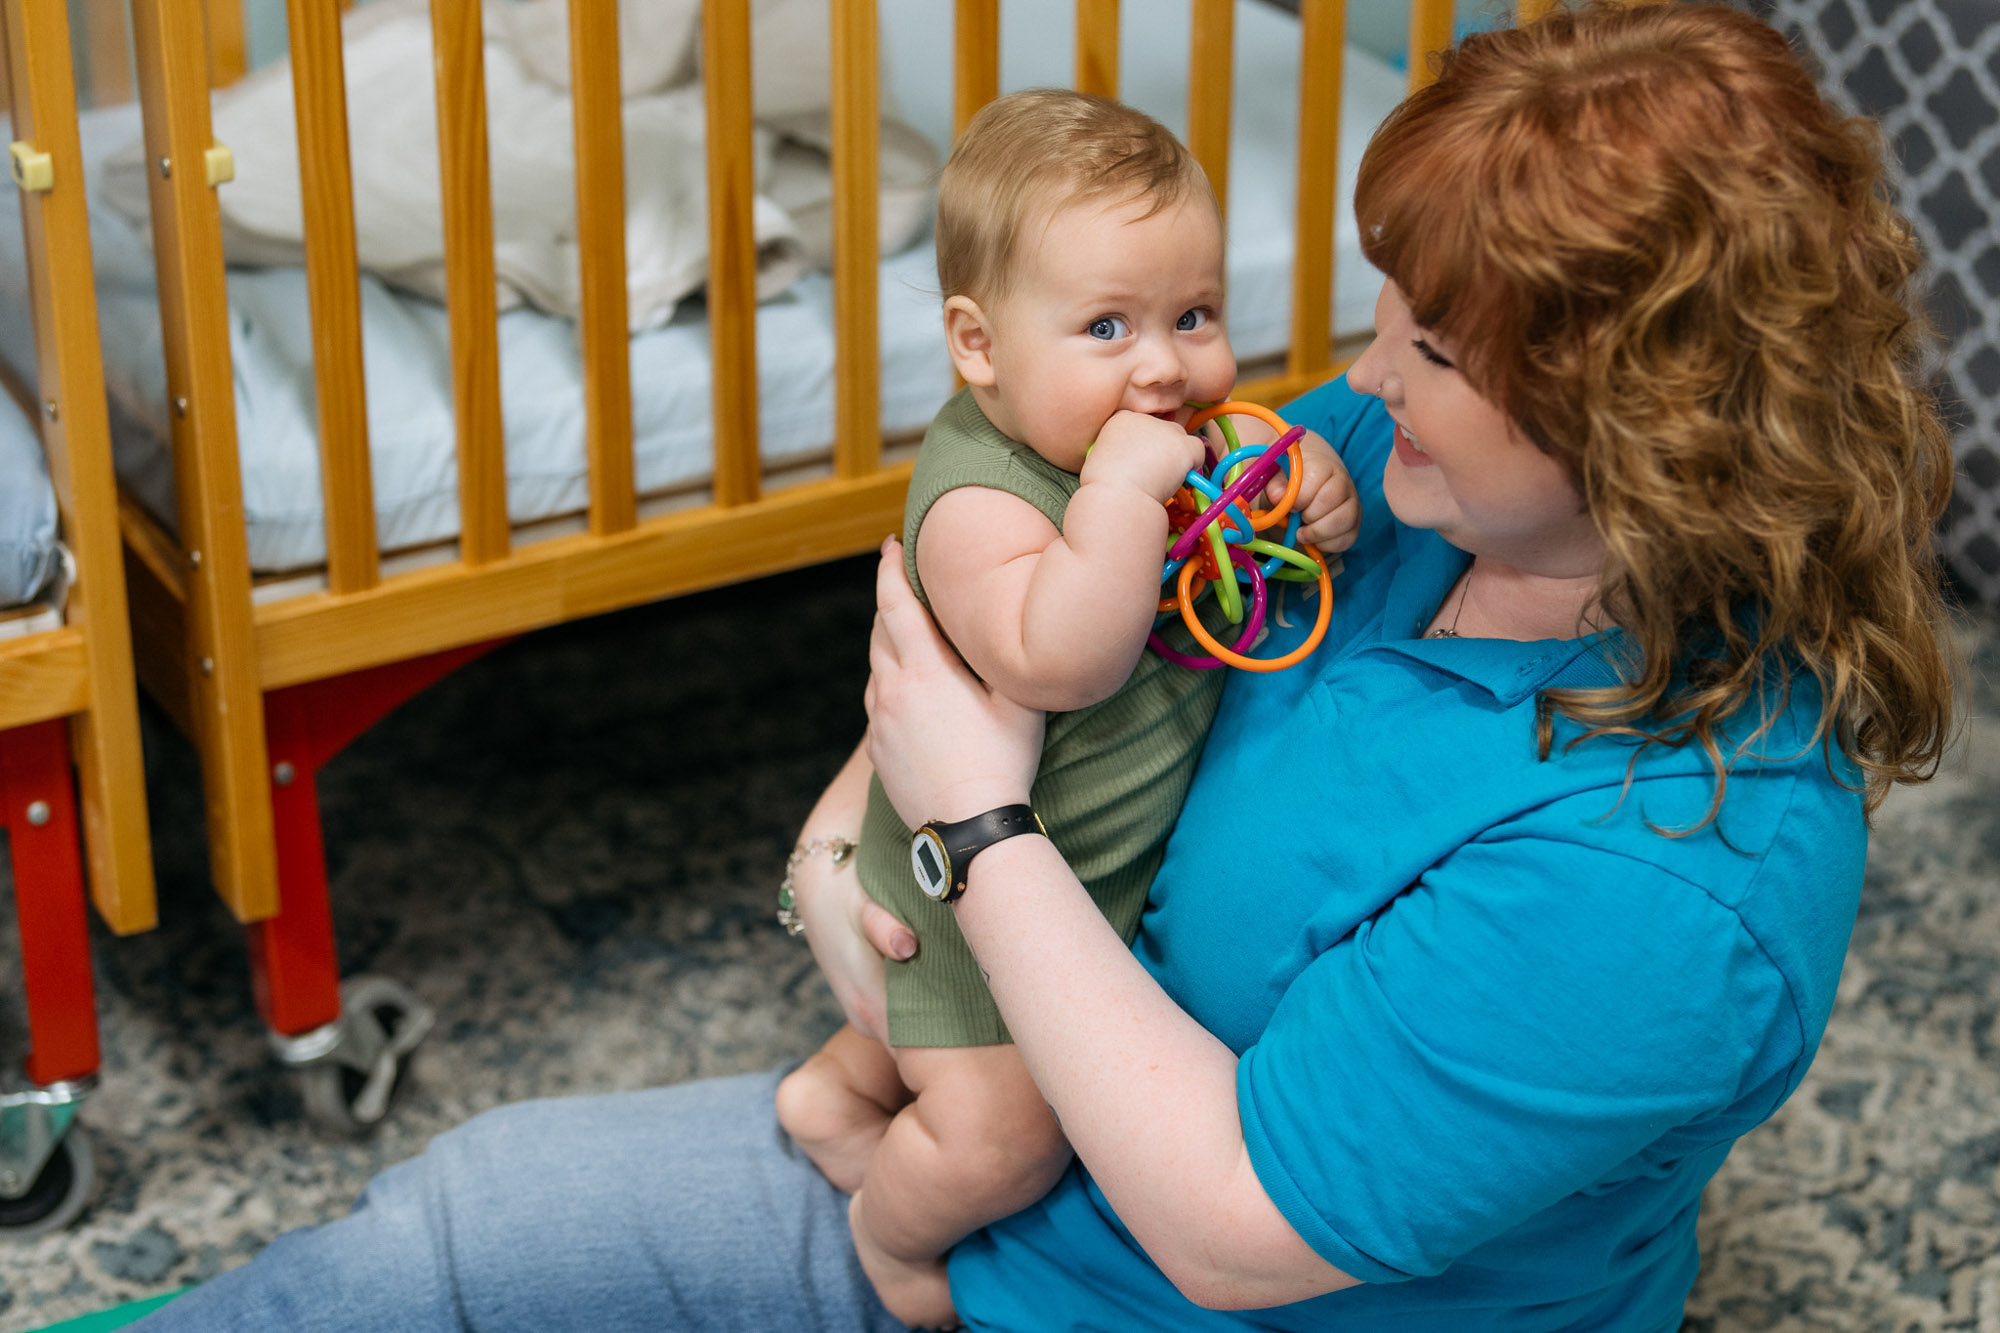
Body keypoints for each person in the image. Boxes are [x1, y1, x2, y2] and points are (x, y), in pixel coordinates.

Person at [133, 5, 1956, 1330]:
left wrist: (971, 824)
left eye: (1442, 350)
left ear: (1649, 426)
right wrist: (858, 840)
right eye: (1387, 307)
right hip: (1016, 1156)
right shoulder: (1382, 489)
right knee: (454, 1227)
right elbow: (980, 642)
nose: (1371, 369)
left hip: (1141, 1277)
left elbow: (1236, 1225)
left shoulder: (1675, 866)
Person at [771, 88, 1359, 1325]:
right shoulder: (980, 498)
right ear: (977, 346)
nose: (1165, 365)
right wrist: (1126, 498)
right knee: (1006, 1137)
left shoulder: (1151, 439)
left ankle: (835, 1089)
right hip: (966, 899)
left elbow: (1241, 540)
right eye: (1105, 326)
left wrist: (1301, 484)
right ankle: (884, 1229)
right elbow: (1062, 658)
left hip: (1077, 883)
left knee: (989, 1065)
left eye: (1192, 315)